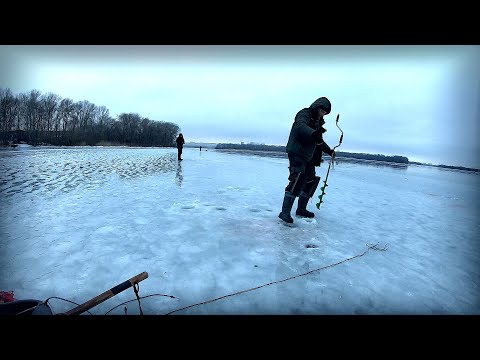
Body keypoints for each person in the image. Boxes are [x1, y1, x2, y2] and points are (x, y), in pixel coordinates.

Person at [278, 97, 335, 224]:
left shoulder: (318, 122)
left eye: (325, 113)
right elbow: (301, 126)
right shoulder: (304, 114)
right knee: (297, 179)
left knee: (311, 180)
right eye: (322, 111)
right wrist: (313, 133)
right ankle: (285, 212)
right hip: (297, 152)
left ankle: (301, 209)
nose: (323, 114)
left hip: (309, 156)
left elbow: (318, 141)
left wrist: (329, 151)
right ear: (317, 107)